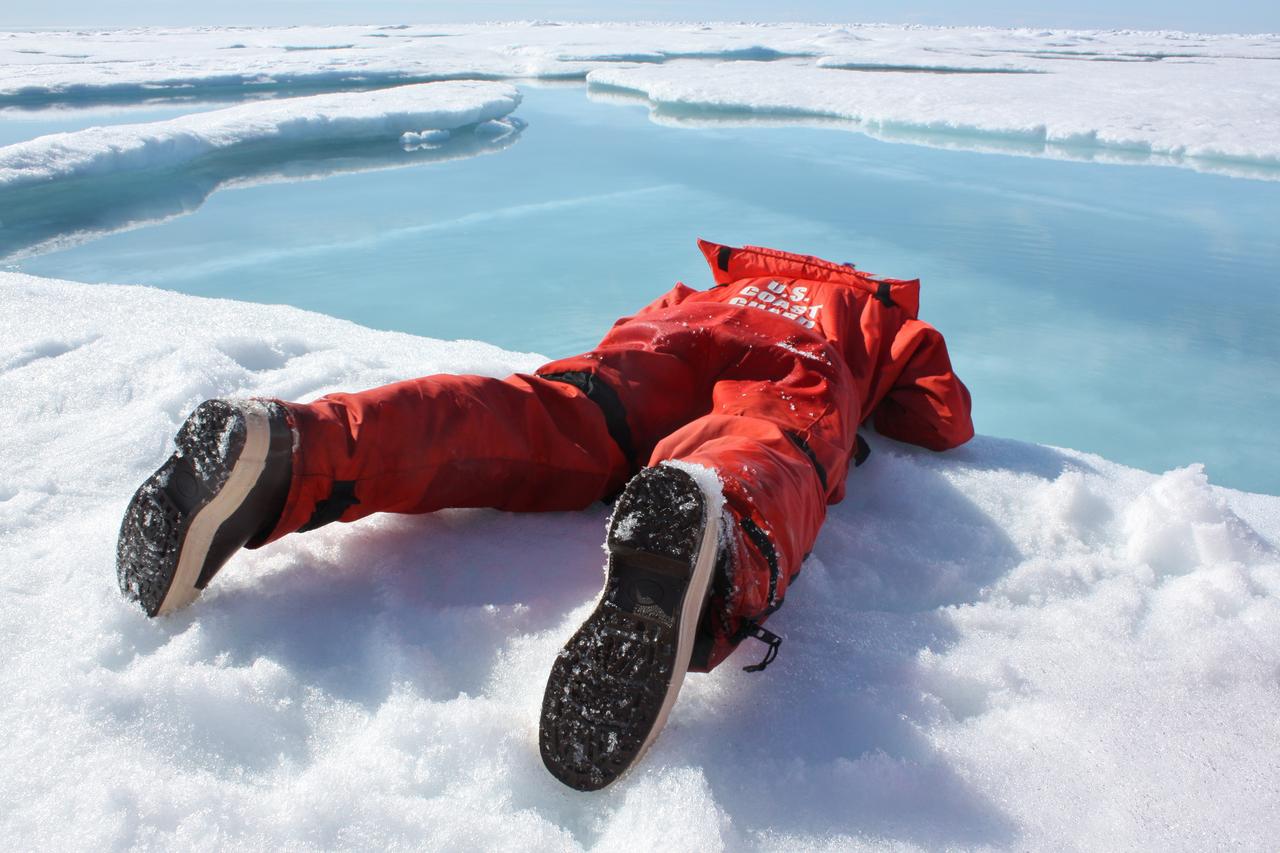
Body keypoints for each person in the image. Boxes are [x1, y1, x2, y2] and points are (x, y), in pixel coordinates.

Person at [116, 239, 974, 791]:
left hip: (659, 347)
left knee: (544, 413)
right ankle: (710, 528)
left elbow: (628, 329)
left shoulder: (709, 283)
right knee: (766, 435)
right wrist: (876, 384)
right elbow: (944, 419)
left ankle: (299, 445)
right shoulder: (878, 311)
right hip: (802, 359)